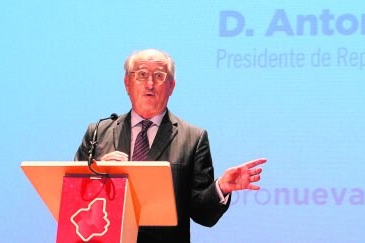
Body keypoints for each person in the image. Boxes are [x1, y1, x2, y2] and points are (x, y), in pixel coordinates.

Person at [75, 49, 266, 242]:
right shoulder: (98, 132)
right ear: (127, 83)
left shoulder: (193, 138)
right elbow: (72, 198)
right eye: (141, 75)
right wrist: (98, 175)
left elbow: (203, 215)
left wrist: (221, 188)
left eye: (159, 76)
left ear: (171, 86)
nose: (150, 84)